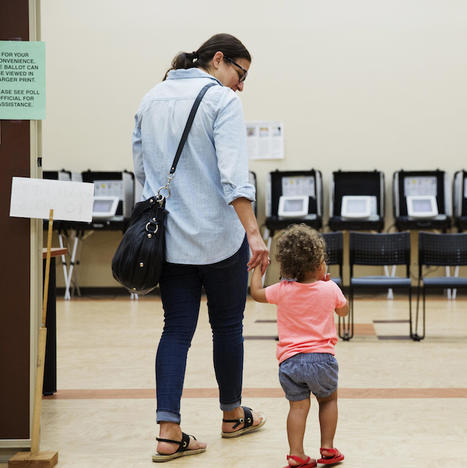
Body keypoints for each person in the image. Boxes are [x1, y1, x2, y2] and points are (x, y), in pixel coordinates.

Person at [132, 33, 268, 463]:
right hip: (219, 239)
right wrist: (253, 232)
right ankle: (232, 415)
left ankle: (168, 433)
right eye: (240, 74)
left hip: (170, 241)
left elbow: (142, 173)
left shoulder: (150, 99)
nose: (241, 85)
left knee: (176, 330)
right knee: (227, 327)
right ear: (219, 59)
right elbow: (234, 177)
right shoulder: (221, 101)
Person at [250, 225, 348, 468]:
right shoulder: (330, 288)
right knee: (328, 401)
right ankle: (327, 448)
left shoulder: (282, 290)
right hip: (322, 360)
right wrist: (329, 287)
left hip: (290, 362)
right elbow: (344, 310)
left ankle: (297, 454)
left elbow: (256, 293)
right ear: (318, 265)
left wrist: (258, 270)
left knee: (297, 406)